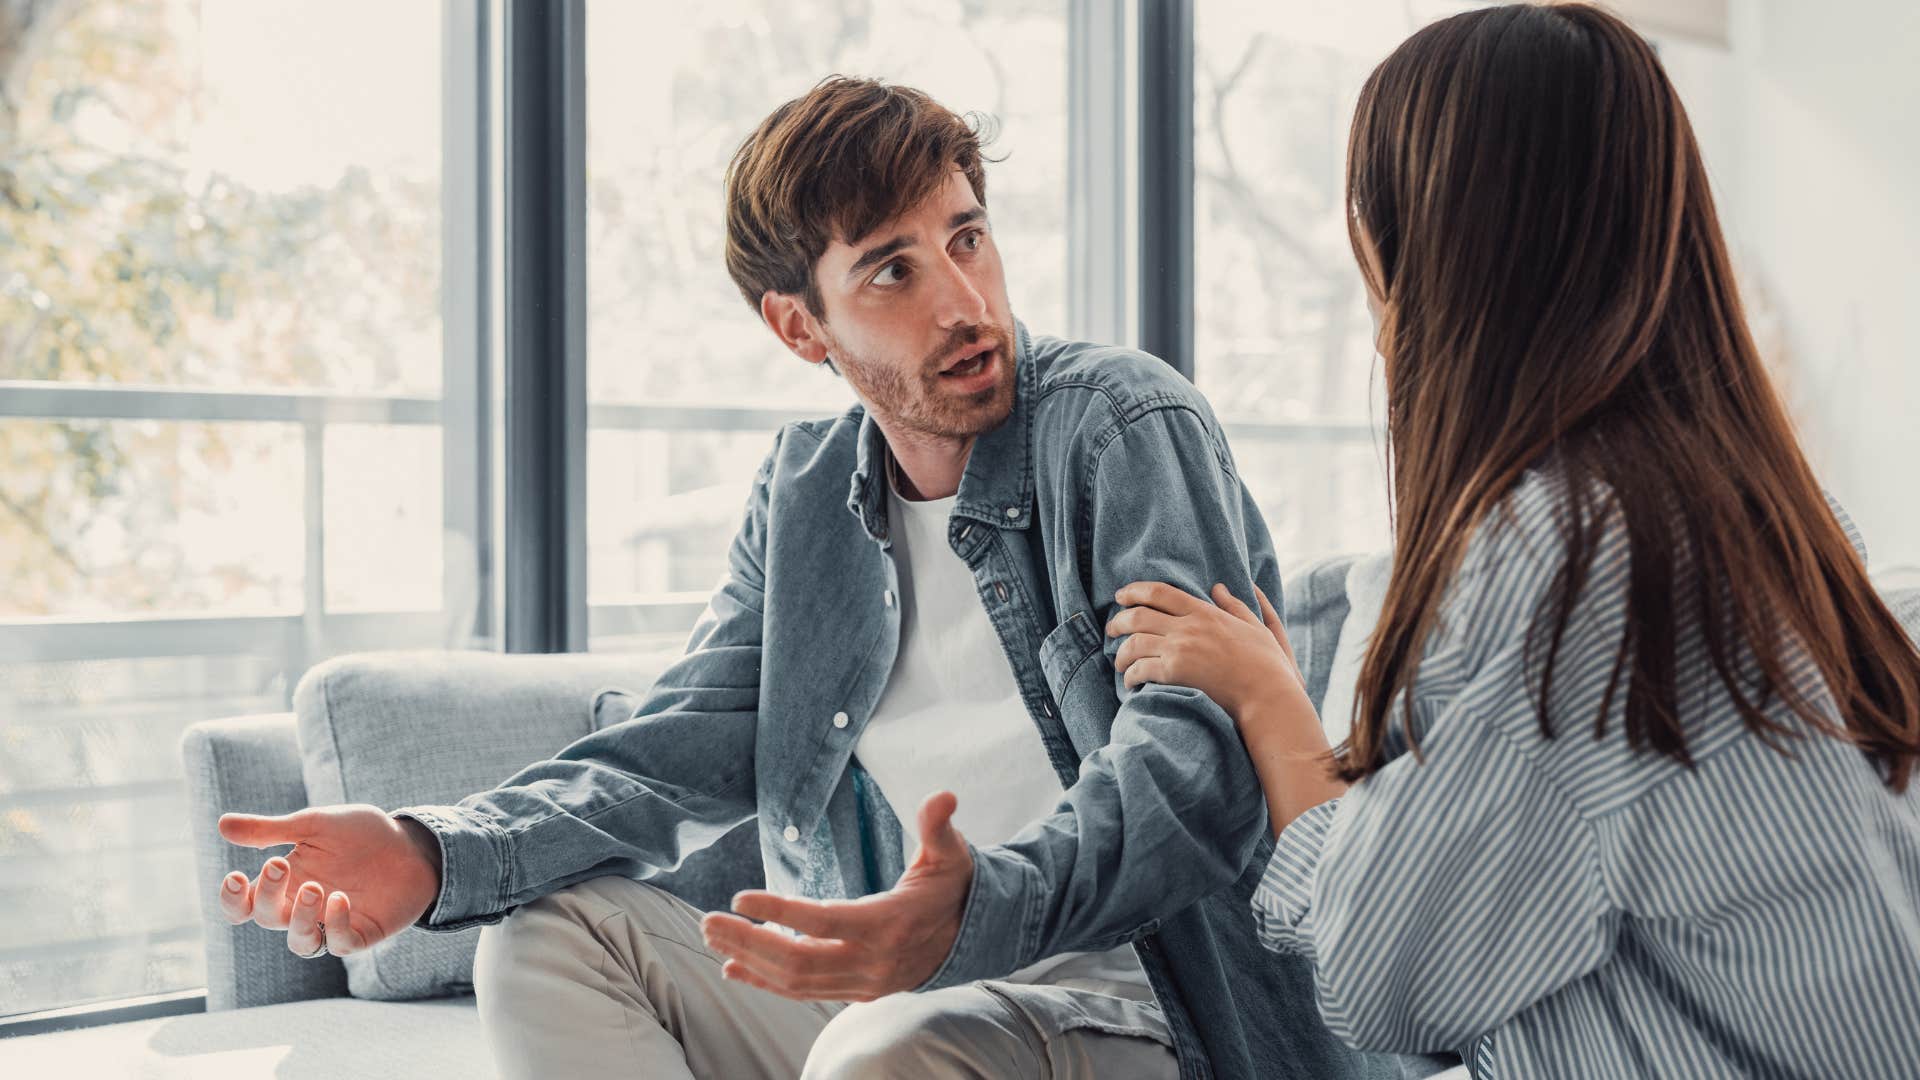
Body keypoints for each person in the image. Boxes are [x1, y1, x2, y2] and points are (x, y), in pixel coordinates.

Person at [211, 77, 1396, 1080]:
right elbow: (682, 742)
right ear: (799, 325)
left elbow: (1194, 765)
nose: (966, 301)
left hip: (1150, 1005)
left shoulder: (1120, 426)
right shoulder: (806, 495)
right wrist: (433, 850)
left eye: (966, 237)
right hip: (915, 988)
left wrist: (969, 916)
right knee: (543, 946)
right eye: (893, 271)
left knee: (884, 1054)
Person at [1106, 4, 1920, 1077]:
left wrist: (1268, 703)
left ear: (1415, 243)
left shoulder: (1577, 566)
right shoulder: (1770, 514)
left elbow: (1381, 976)